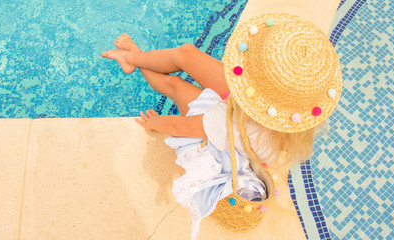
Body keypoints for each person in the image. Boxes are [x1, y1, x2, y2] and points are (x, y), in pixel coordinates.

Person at [102, 13, 342, 239]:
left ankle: (132, 58)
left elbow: (177, 126)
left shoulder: (232, 125)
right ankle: (133, 57)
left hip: (232, 125)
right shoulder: (294, 115)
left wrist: (154, 123)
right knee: (187, 54)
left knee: (173, 85)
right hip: (253, 109)